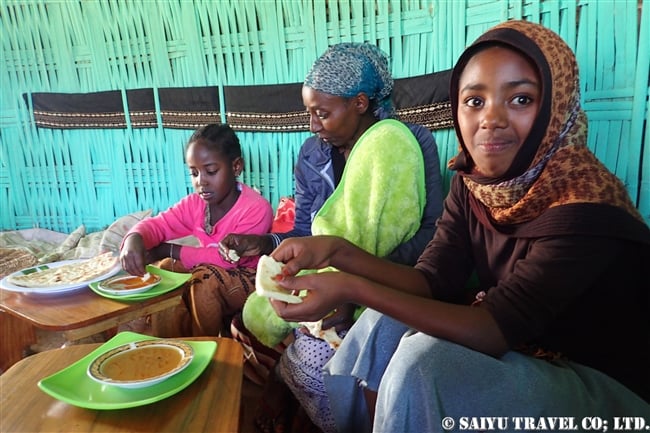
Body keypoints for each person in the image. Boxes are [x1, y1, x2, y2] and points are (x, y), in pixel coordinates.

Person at [267, 20, 650, 432]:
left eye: (520, 99)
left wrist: (350, 286)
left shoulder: (586, 207)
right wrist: (335, 250)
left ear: (556, 107)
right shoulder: (475, 186)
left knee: (424, 364)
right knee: (383, 322)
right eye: (474, 101)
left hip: (600, 386)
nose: (491, 119)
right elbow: (429, 280)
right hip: (528, 353)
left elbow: (495, 330)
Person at [221, 42, 445, 433]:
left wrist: (353, 285)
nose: (313, 125)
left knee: (322, 361)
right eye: (309, 113)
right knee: (248, 321)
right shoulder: (312, 155)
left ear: (359, 103)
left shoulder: (408, 143)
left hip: (385, 281)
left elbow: (429, 233)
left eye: (321, 113)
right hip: (322, 276)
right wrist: (266, 244)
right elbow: (306, 232)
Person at [119, 123, 274, 337]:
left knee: (204, 280)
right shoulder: (195, 204)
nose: (201, 182)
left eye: (211, 171)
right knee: (165, 269)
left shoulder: (256, 207)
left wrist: (167, 249)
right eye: (194, 173)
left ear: (236, 166)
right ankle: (169, 344)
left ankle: (205, 349)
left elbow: (227, 259)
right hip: (208, 270)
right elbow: (159, 224)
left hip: (249, 277)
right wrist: (134, 238)